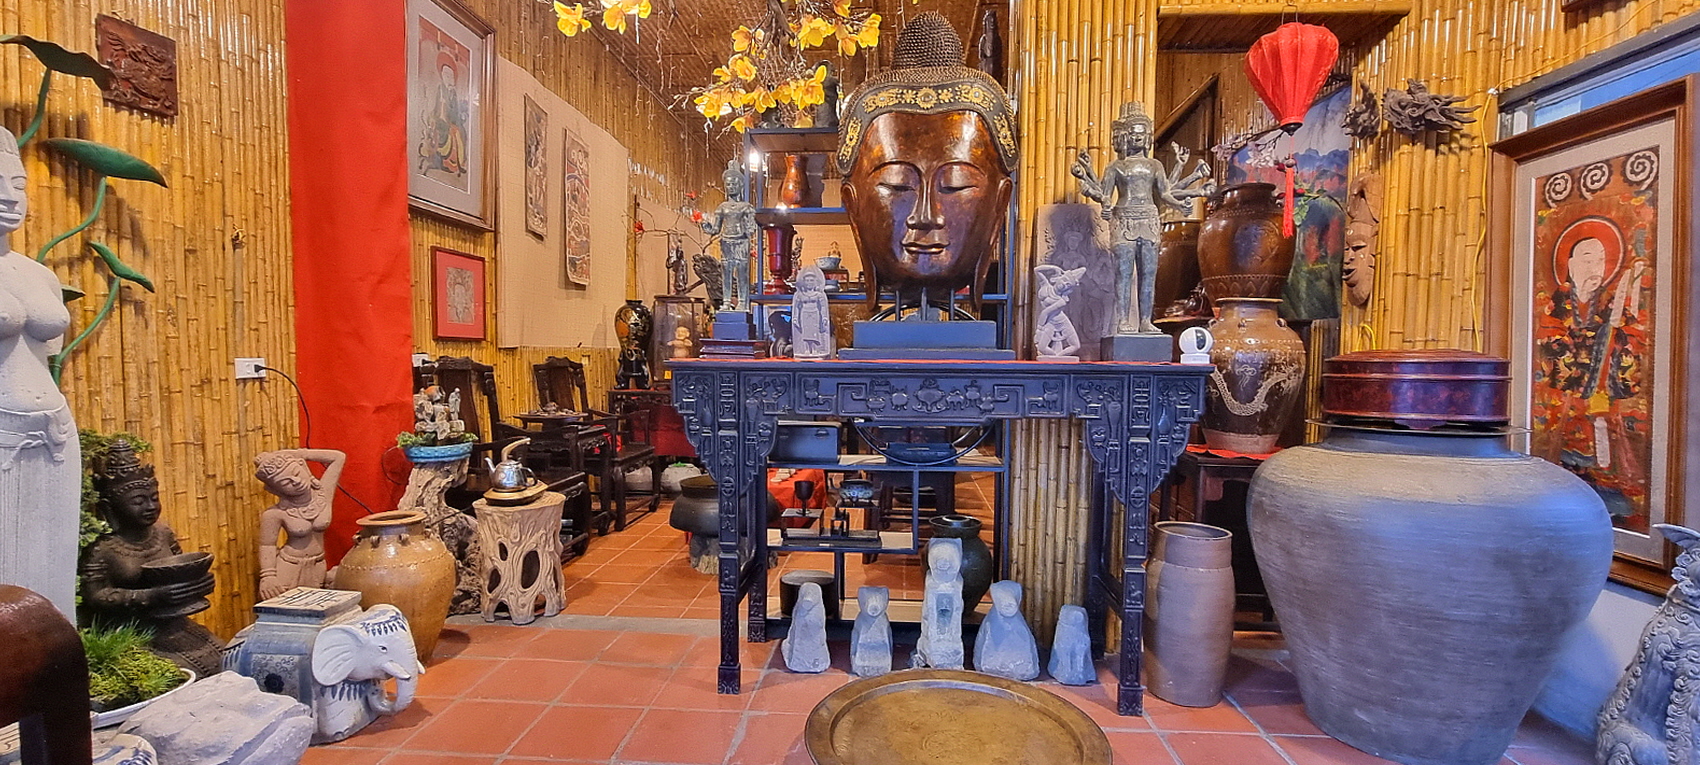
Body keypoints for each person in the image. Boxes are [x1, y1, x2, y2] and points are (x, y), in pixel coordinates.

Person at [0, 126, 79, 617]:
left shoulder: (39, 274)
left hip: (55, 433)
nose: (10, 198)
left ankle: (57, 654)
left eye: (18, 185)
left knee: (53, 564)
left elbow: (50, 351)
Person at [80, 439, 223, 675]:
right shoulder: (102, 548)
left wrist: (198, 584)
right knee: (186, 673)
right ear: (109, 506)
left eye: (154, 498)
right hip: (130, 631)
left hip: (173, 624)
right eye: (138, 501)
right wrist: (148, 596)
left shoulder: (163, 533)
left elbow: (179, 571)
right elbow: (95, 595)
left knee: (224, 655)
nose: (150, 506)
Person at [1072, 102, 1210, 335]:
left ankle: (1146, 321)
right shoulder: (1115, 167)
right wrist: (1099, 197)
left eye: (1141, 133)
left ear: (1147, 137)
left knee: (1148, 275)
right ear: (1125, 136)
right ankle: (1123, 321)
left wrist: (1180, 204)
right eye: (1133, 133)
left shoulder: (1155, 165)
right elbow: (1105, 194)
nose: (1137, 137)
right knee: (1124, 275)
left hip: (1149, 220)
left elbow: (1164, 193)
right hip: (1123, 220)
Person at [255, 449, 347, 599]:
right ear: (276, 489)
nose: (296, 481)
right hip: (288, 566)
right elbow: (267, 545)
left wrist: (299, 454)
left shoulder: (323, 494)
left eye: (296, 473)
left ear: (303, 466)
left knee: (316, 606)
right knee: (285, 607)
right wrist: (268, 575)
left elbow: (338, 457)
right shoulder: (275, 513)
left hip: (318, 564)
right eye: (286, 482)